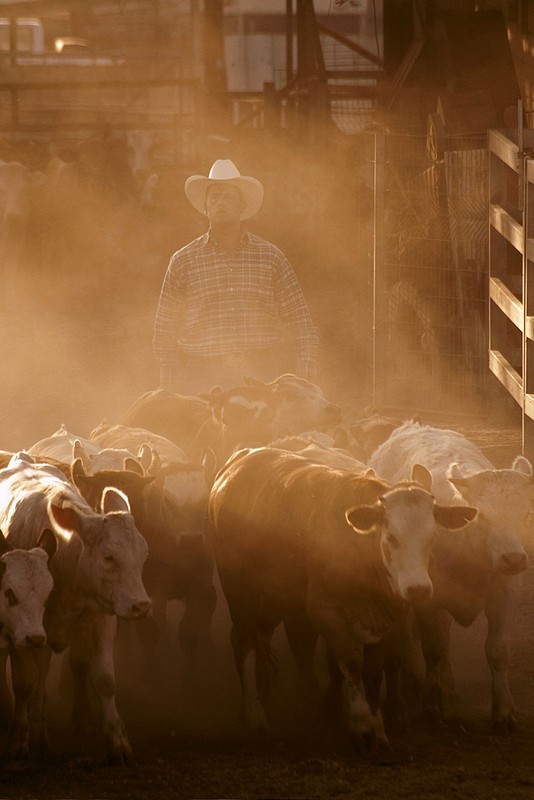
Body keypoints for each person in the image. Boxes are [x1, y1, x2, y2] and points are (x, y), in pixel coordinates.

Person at [152, 159, 319, 394]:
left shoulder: (270, 257)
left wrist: (306, 373)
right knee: (207, 431)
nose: (221, 203)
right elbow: (165, 329)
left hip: (261, 373)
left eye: (228, 197)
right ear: (205, 207)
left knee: (260, 432)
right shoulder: (183, 260)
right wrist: (167, 384)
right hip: (203, 374)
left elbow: (301, 321)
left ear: (242, 206)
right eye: (215, 197)